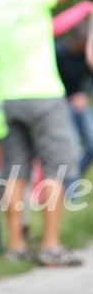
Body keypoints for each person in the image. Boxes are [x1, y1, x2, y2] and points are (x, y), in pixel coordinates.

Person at [0, 0, 93, 267]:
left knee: (15, 173)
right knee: (57, 171)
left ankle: (16, 246)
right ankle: (50, 246)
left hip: (10, 101)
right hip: (44, 95)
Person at [56, 17, 93, 176]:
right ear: (76, 41)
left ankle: (74, 177)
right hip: (60, 104)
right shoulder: (57, 52)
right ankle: (71, 189)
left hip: (79, 103)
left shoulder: (88, 56)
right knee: (72, 148)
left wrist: (84, 94)